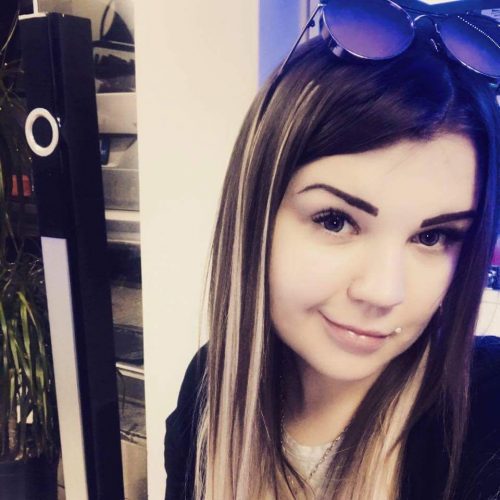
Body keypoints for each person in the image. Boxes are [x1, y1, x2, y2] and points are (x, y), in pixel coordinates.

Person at [164, 2, 500, 498]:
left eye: (432, 237)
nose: (383, 291)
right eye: (336, 220)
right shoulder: (210, 386)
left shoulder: (484, 406)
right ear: (257, 214)